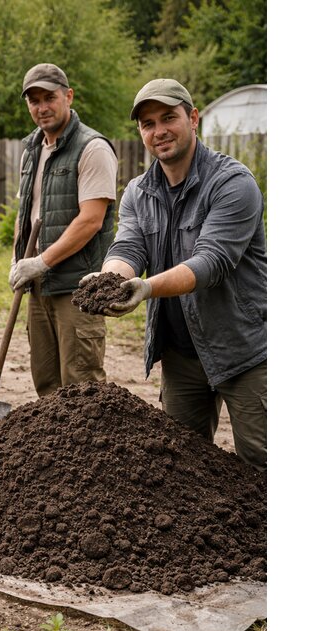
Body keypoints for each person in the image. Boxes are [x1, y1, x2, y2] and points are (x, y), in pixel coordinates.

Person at [81, 78, 266, 469]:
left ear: (193, 118)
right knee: (182, 467)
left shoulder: (232, 183)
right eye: (148, 123)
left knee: (262, 460)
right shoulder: (137, 191)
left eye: (168, 118)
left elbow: (210, 262)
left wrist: (145, 288)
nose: (158, 131)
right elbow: (129, 246)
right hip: (181, 354)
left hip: (244, 348)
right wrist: (109, 280)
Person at [9, 63, 118, 396]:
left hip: (77, 289)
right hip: (39, 287)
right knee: (45, 383)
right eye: (34, 101)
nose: (42, 108)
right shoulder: (32, 150)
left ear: (68, 96)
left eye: (49, 97)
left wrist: (42, 261)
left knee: (80, 385)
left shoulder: (92, 148)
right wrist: (18, 259)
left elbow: (91, 220)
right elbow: (25, 213)